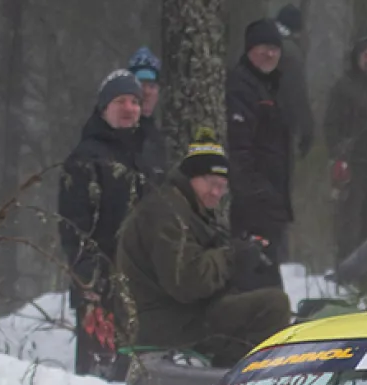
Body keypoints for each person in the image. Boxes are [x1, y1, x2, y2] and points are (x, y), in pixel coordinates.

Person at [116, 129, 291, 367]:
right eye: (211, 184)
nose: (216, 193)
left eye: (222, 186)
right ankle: (237, 380)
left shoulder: (187, 209)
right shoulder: (166, 213)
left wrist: (244, 254)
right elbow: (186, 280)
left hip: (180, 315)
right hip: (165, 322)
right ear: (191, 178)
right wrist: (232, 257)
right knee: (274, 306)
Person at [57, 68, 148, 377]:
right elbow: (73, 224)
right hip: (99, 282)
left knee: (134, 375)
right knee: (99, 380)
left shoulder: (144, 154)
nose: (128, 109)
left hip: (139, 280)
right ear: (103, 107)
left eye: (134, 102)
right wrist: (88, 278)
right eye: (120, 101)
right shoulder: (85, 159)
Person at [226, 18, 294, 274]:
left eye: (275, 48)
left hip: (273, 202)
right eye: (263, 47)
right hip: (251, 207)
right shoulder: (240, 86)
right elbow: (239, 150)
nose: (270, 54)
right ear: (249, 50)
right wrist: (257, 195)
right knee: (255, 277)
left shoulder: (273, 87)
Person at [325, 34, 367, 267]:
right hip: (352, 161)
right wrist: (339, 153)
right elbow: (331, 124)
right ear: (357, 58)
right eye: (366, 55)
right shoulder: (344, 87)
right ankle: (346, 268)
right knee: (350, 218)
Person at [274, 4, 314, 159]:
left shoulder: (257, 42)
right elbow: (296, 94)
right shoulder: (290, 53)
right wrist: (307, 129)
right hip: (280, 129)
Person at [127, 46, 166, 187]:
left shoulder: (158, 139)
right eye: (141, 85)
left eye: (152, 86)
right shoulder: (117, 131)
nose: (146, 92)